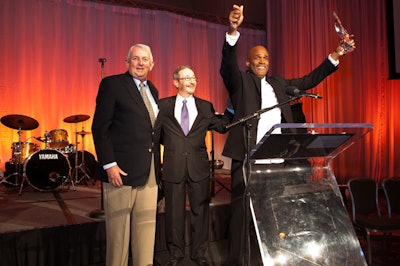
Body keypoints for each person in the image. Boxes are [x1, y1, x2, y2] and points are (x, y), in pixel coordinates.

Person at [220, 4, 356, 266]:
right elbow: (226, 66)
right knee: (240, 218)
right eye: (257, 58)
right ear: (248, 62)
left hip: (276, 162)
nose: (262, 61)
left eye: (266, 58)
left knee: (272, 215)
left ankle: (271, 259)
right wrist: (232, 32)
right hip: (248, 160)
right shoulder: (241, 82)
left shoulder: (280, 84)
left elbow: (309, 80)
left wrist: (336, 54)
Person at [155, 65, 232, 266]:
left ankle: (199, 254)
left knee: (201, 213)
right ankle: (175, 254)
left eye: (194, 77)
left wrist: (232, 107)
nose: (191, 81)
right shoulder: (162, 106)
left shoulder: (205, 106)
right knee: (174, 214)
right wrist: (174, 147)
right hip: (173, 165)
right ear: (176, 82)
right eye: (186, 77)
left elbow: (222, 126)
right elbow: (157, 136)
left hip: (198, 167)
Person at [91, 43, 160, 266]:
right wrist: (109, 164)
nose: (140, 63)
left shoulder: (154, 90)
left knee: (146, 230)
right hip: (120, 171)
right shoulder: (112, 84)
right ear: (127, 62)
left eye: (145, 59)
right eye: (135, 59)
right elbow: (100, 128)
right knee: (118, 235)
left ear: (152, 64)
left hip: (149, 171)